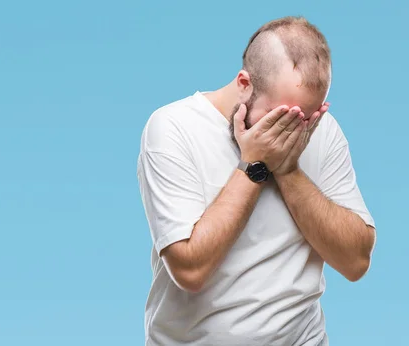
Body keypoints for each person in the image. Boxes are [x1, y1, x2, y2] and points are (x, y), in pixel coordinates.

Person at [136, 16, 376, 346]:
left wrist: (289, 171)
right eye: (280, 118)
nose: (293, 133)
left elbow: (356, 261)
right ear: (244, 84)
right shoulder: (172, 129)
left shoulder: (322, 130)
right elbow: (189, 270)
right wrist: (254, 165)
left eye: (305, 119)